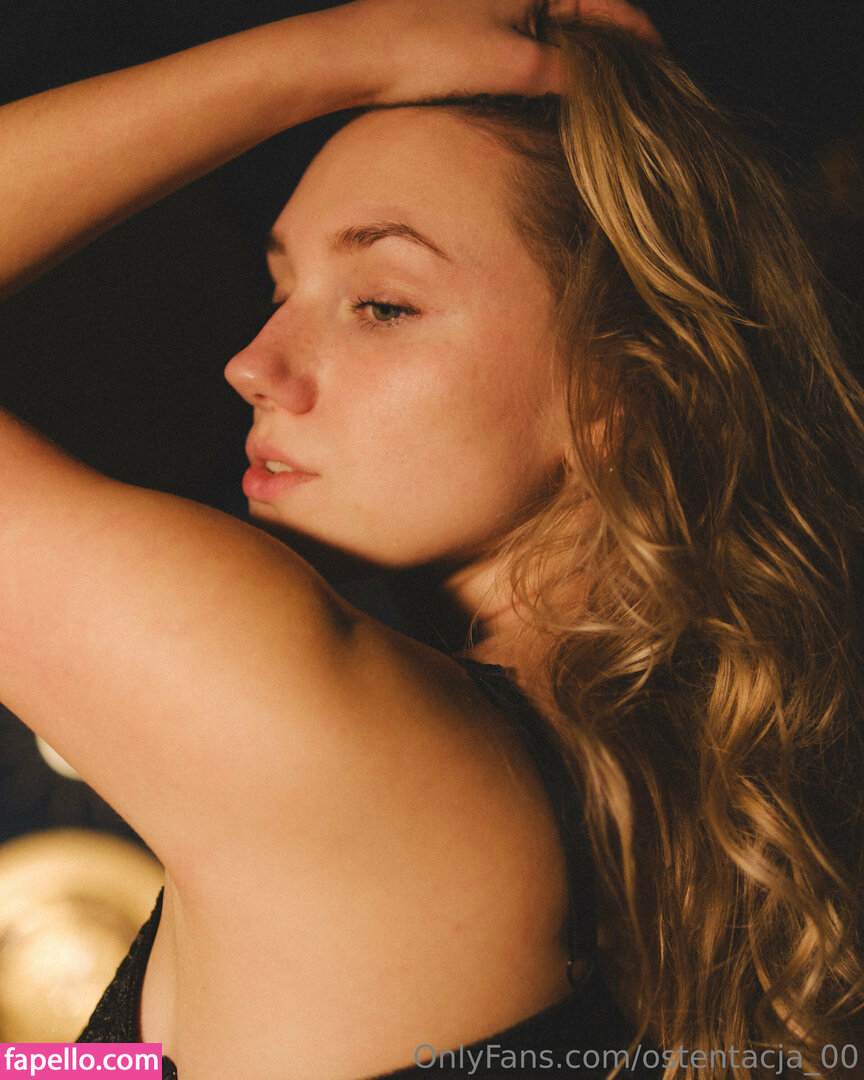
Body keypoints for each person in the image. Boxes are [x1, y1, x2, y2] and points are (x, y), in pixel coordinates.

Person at [0, 2, 861, 1077]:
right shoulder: (660, 807)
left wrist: (340, 53)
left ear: (623, 390)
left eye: (382, 304)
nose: (253, 364)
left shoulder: (338, 731)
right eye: (281, 289)